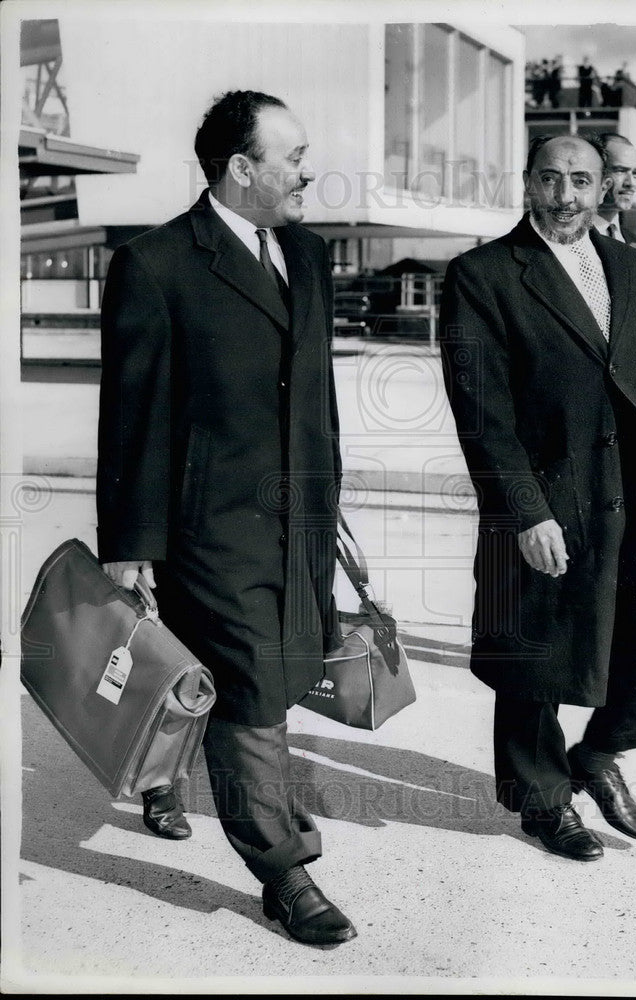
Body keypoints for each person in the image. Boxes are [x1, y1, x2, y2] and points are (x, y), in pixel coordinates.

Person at [97, 90, 356, 944]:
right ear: (242, 170)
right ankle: (284, 872)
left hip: (302, 521)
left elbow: (314, 394)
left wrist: (332, 500)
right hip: (211, 527)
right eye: (292, 157)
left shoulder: (309, 256)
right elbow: (134, 413)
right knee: (252, 691)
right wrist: (131, 543)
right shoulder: (159, 262)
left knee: (271, 673)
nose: (307, 170)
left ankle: (165, 772)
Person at [439, 134, 636, 863]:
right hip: (545, 494)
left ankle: (596, 757)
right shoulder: (483, 275)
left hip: (632, 484)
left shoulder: (626, 263)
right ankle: (543, 802)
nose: (566, 196)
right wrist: (524, 511)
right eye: (551, 179)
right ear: (528, 184)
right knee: (533, 652)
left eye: (581, 181)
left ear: (604, 188)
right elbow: (482, 411)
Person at [593, 132, 636, 249]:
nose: (630, 183)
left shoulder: (635, 244)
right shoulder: (571, 237)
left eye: (635, 174)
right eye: (620, 171)